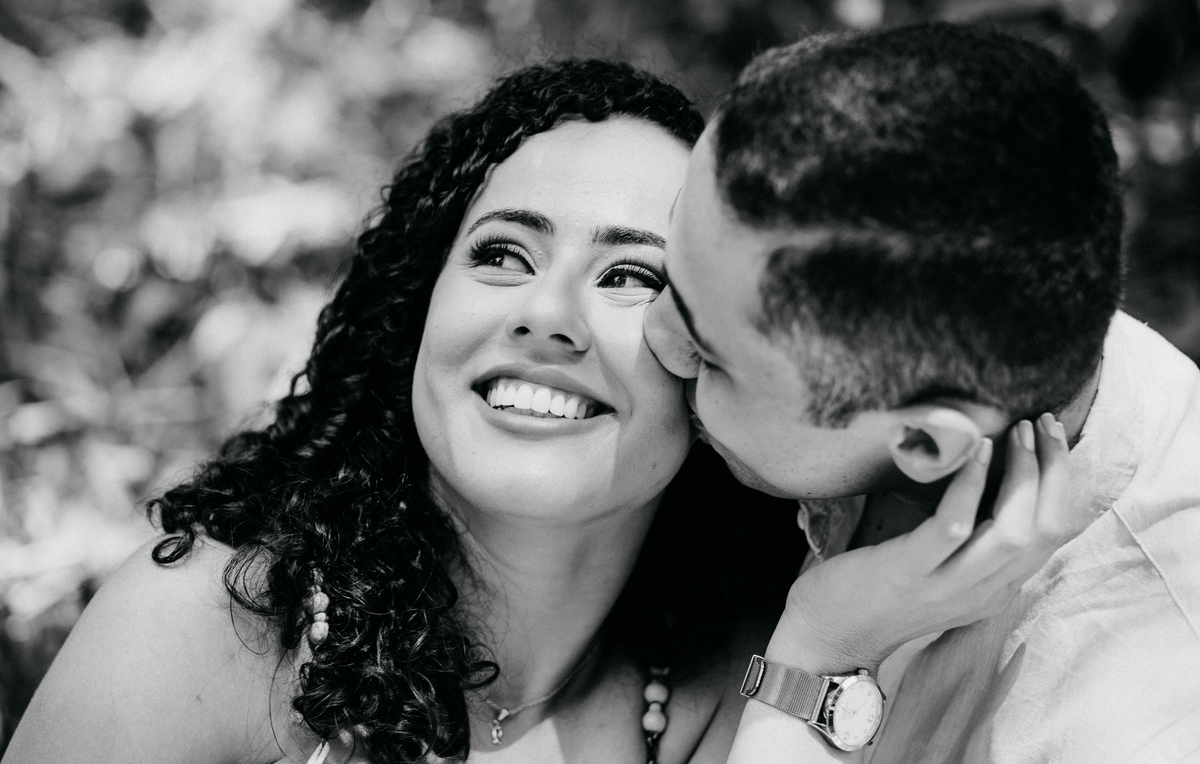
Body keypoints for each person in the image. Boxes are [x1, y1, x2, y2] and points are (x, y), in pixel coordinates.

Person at [4, 59, 1066, 764]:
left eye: (630, 277)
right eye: (503, 254)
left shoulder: (728, 687)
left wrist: (819, 650)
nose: (546, 315)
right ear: (416, 312)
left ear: (710, 359)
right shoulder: (215, 629)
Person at [645, 22, 1200, 763]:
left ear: (923, 443)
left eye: (711, 357)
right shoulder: (947, 322)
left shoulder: (1130, 727)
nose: (655, 334)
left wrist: (820, 656)